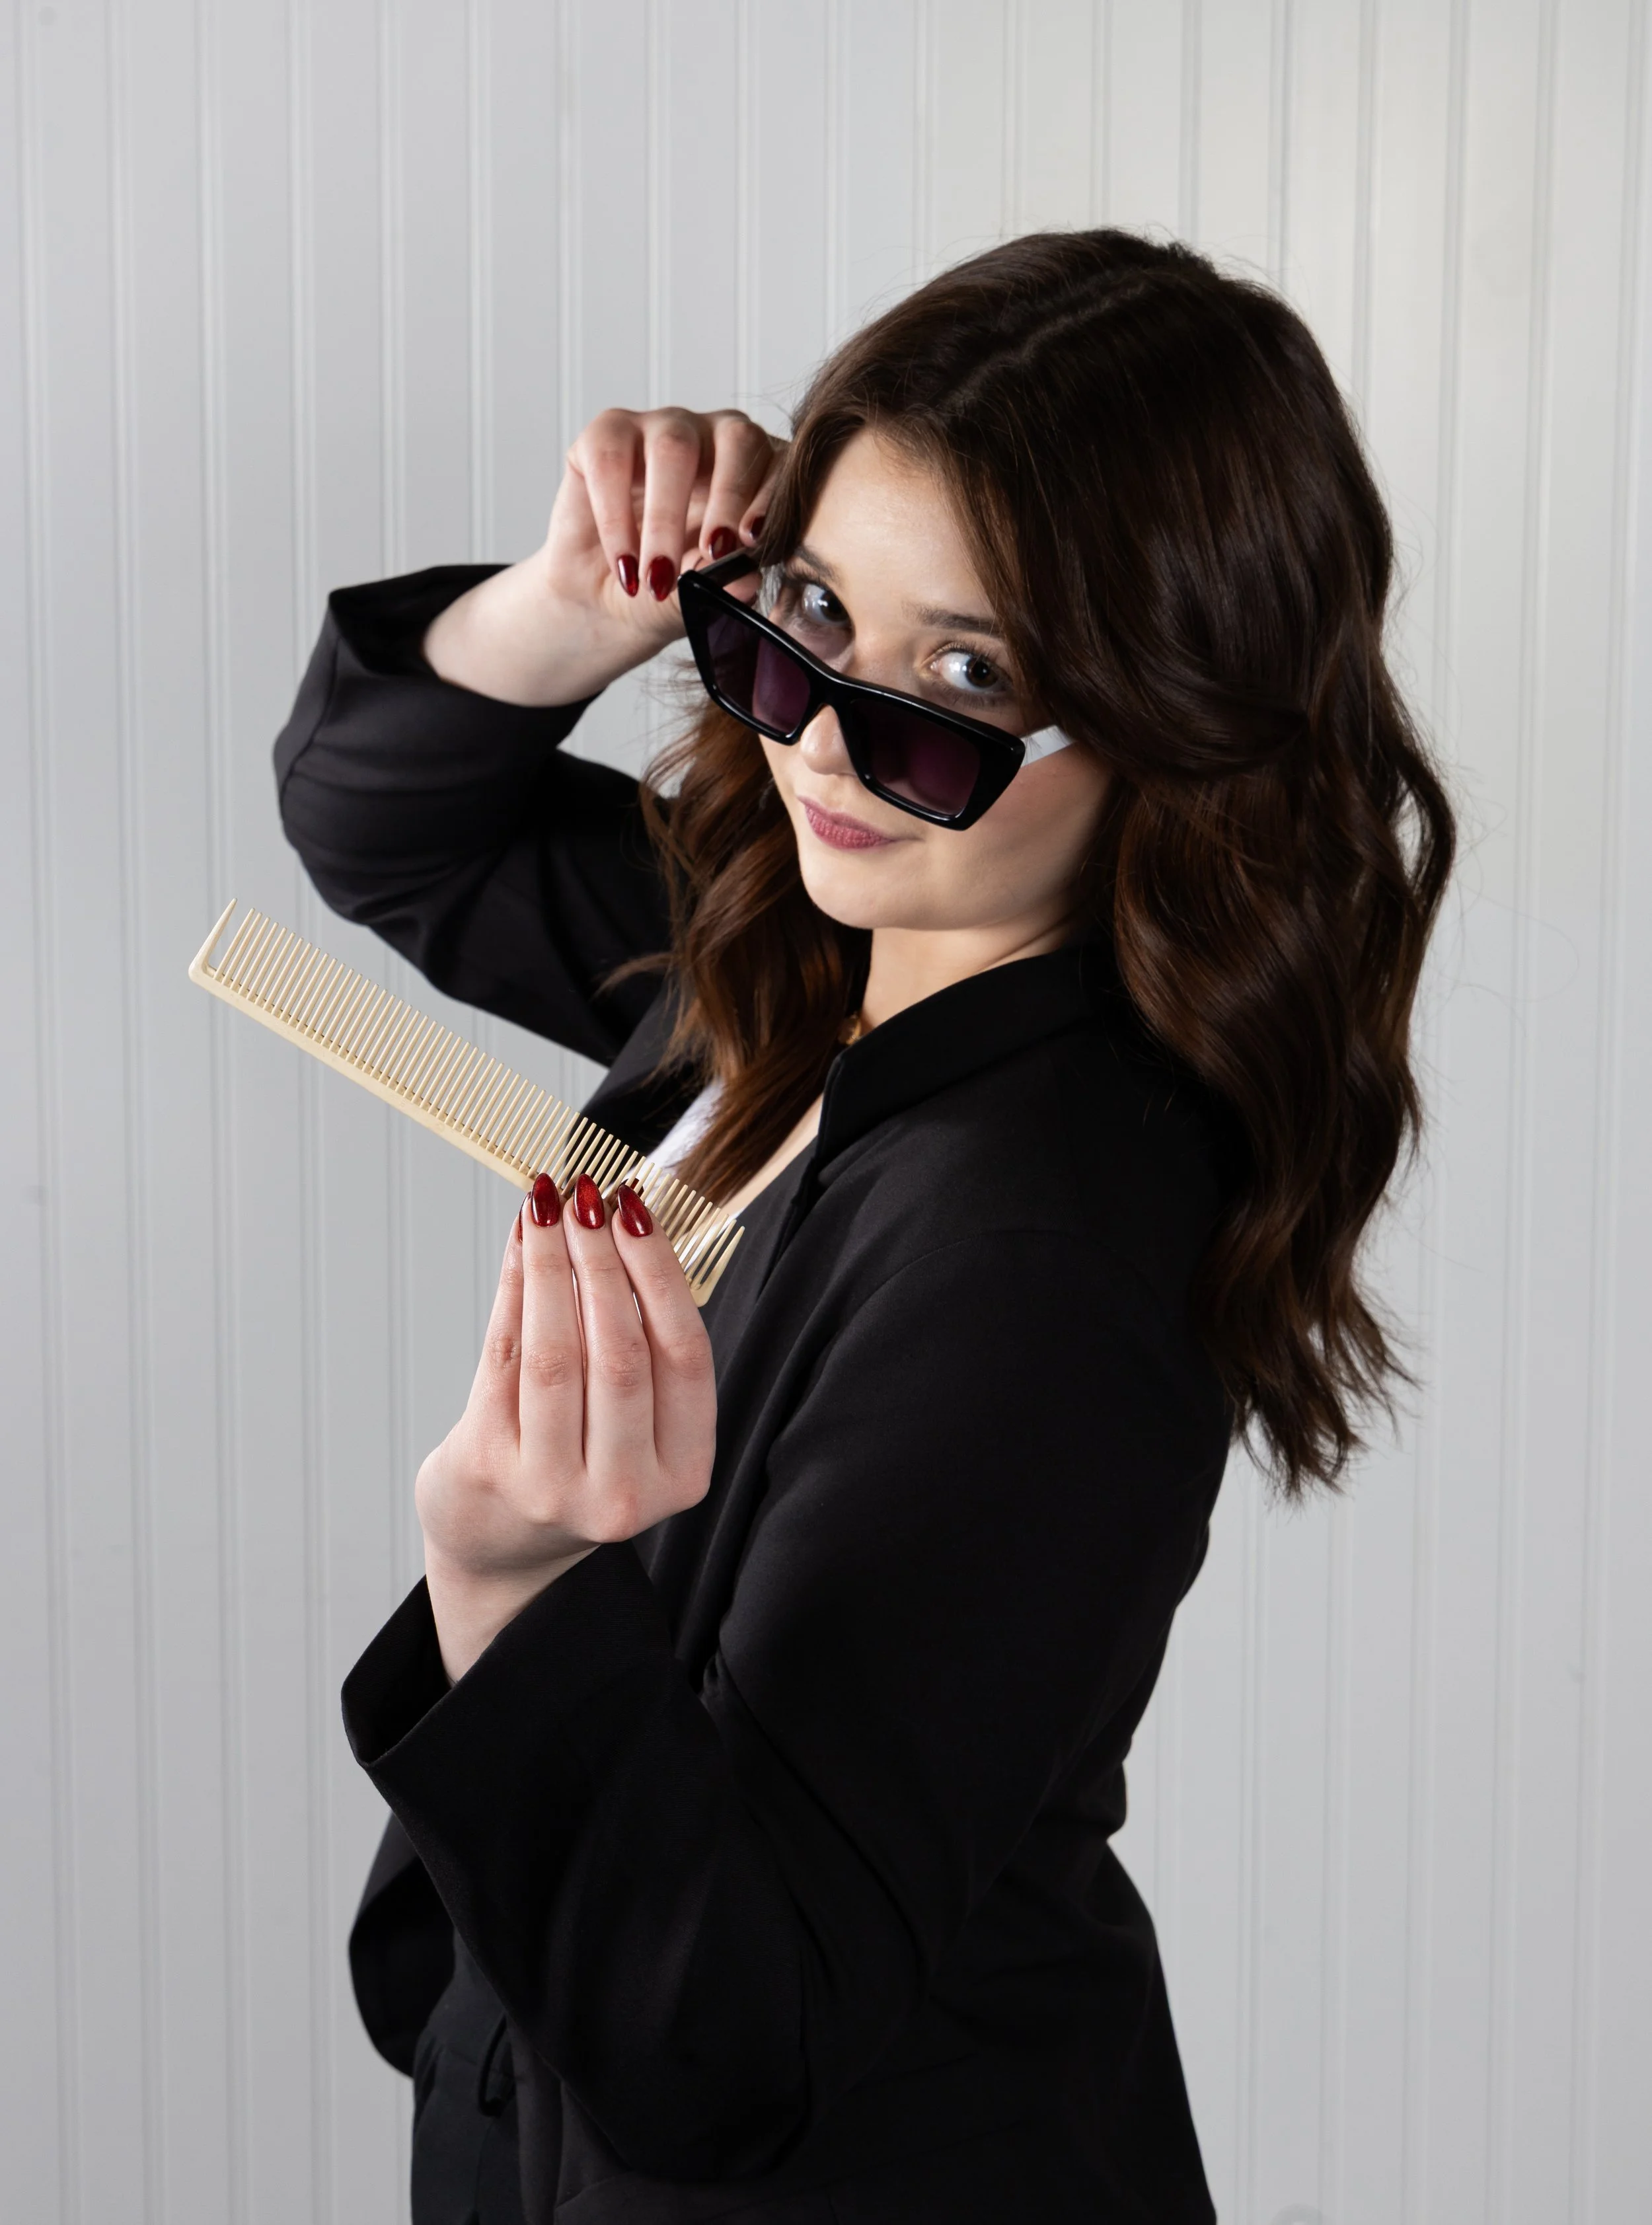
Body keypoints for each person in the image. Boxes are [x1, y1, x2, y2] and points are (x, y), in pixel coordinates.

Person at [274, 229, 1454, 2224]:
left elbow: (724, 2031)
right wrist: (582, 606)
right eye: (804, 617)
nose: (822, 736)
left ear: (1170, 725)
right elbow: (384, 822)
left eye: (964, 681)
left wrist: (506, 1574)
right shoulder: (804, 951)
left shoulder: (1045, 1250)